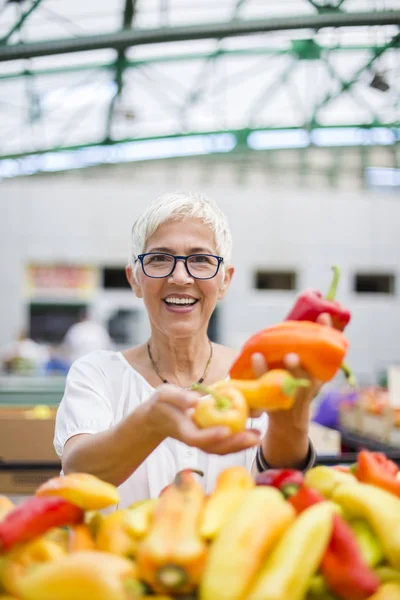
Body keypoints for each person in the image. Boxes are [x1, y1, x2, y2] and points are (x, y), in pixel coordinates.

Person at [54, 192, 330, 507]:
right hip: (116, 556)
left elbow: (280, 492)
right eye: (159, 258)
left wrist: (291, 421)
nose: (180, 277)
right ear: (135, 280)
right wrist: (150, 423)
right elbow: (78, 473)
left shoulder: (255, 375)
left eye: (200, 259)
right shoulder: (98, 374)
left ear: (225, 280)